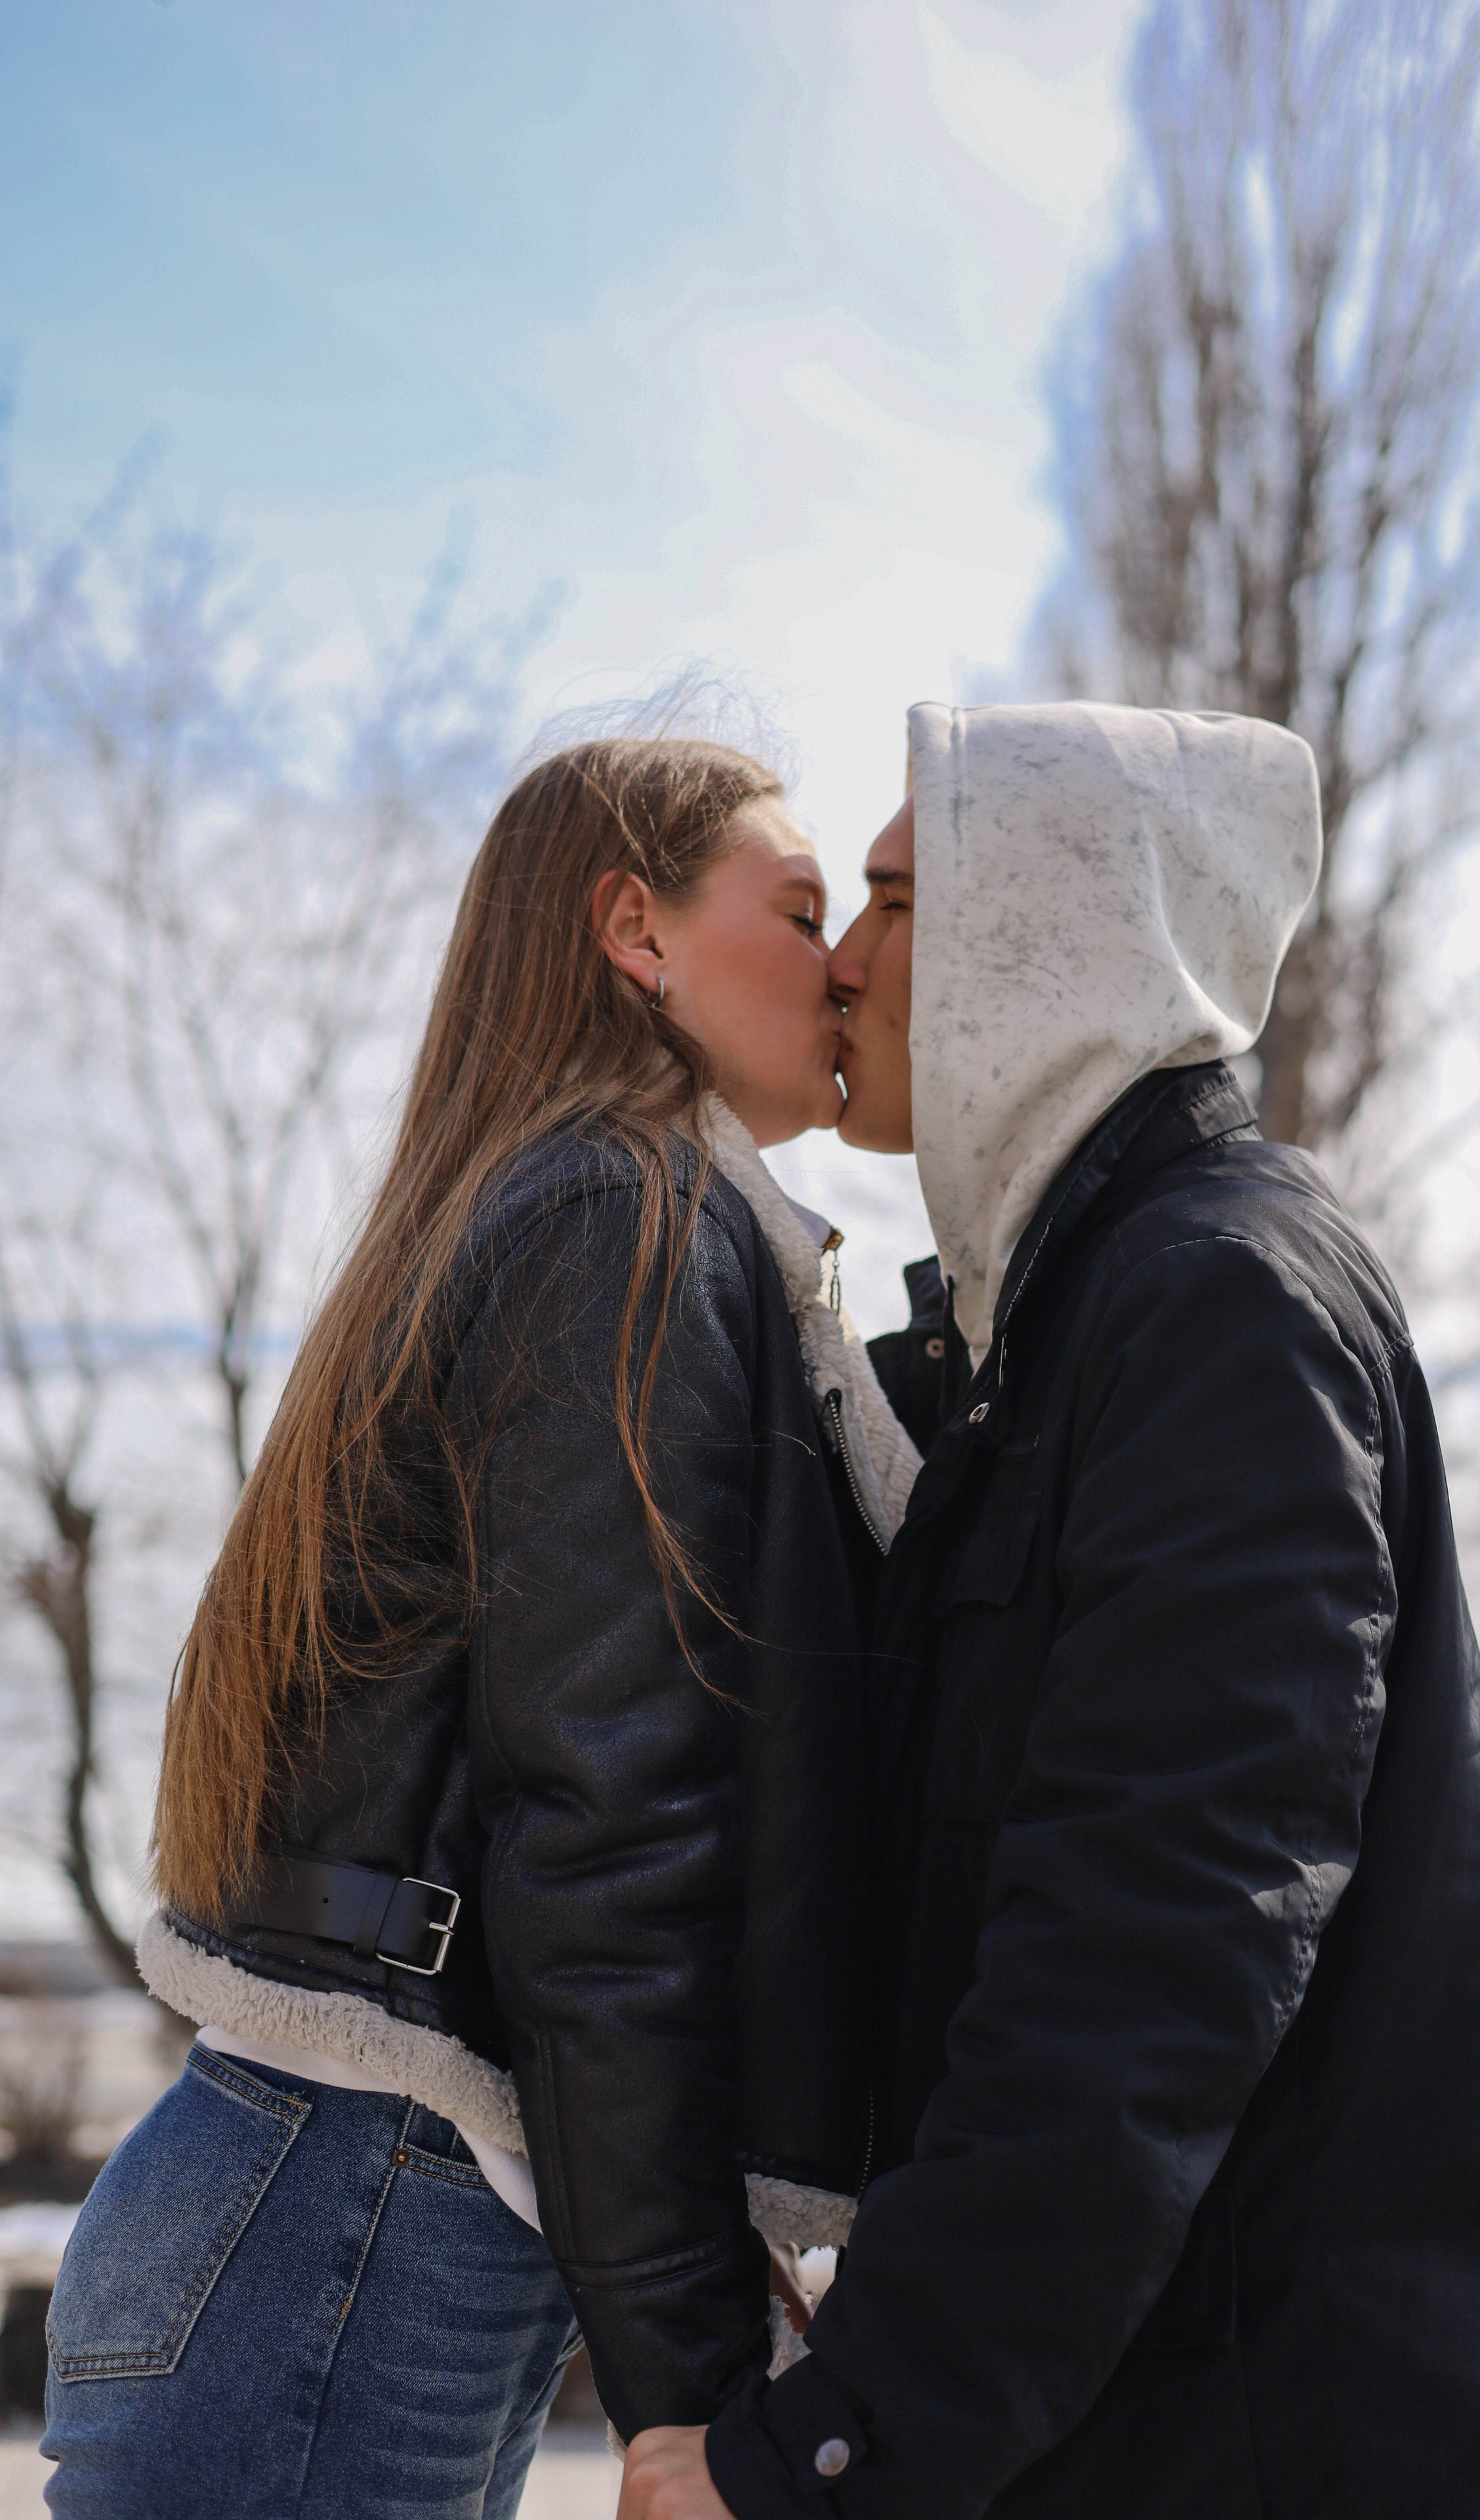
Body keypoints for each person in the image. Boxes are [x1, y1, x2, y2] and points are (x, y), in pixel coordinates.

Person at [623, 702, 1480, 2520]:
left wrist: (832, 2451)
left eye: (897, 901)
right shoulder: (1076, 1323)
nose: (845, 964)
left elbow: (1150, 1950)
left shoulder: (1214, 1307)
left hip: (1320, 2456)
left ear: (1050, 934)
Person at [42, 736, 919, 2519]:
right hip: (347, 2221)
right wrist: (685, 2378)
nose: (840, 964)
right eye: (803, 908)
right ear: (634, 932)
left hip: (325, 2204)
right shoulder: (623, 1220)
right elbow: (610, 1819)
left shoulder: (571, 1204)